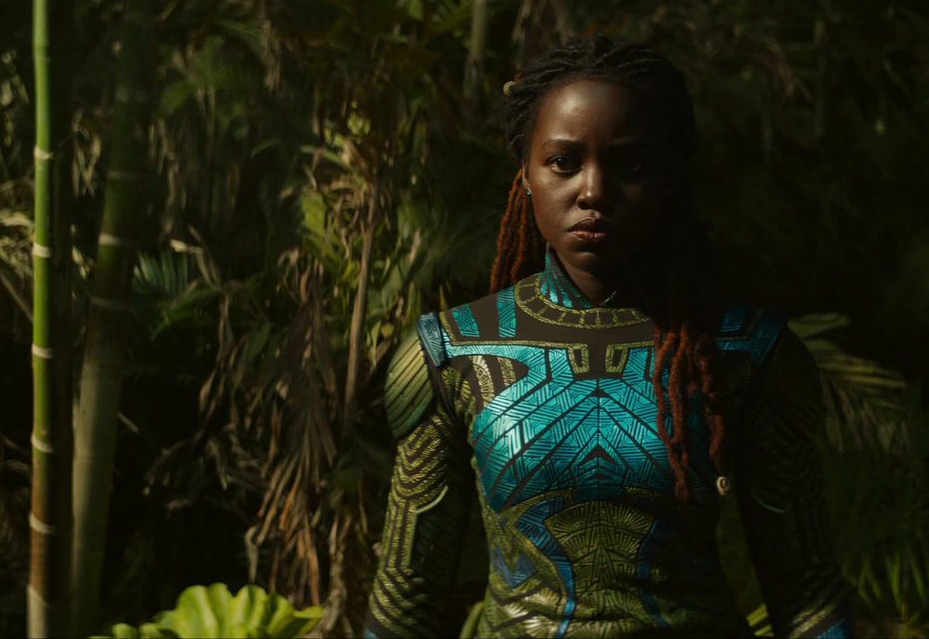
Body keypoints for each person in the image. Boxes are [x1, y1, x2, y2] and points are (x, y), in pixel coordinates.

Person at [362, 35, 853, 639]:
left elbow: (806, 592)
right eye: (564, 162)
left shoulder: (743, 351)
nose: (594, 191)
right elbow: (406, 597)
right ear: (526, 176)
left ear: (669, 178)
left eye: (631, 165)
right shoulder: (454, 352)